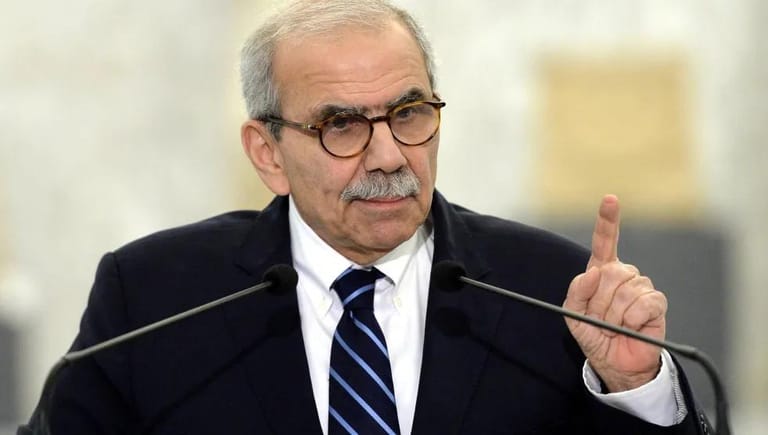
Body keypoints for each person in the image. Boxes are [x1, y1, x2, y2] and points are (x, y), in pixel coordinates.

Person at [22, 1, 712, 434]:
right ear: (268, 153)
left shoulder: (549, 289)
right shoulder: (154, 295)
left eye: (409, 113)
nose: (388, 155)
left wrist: (635, 387)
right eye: (341, 125)